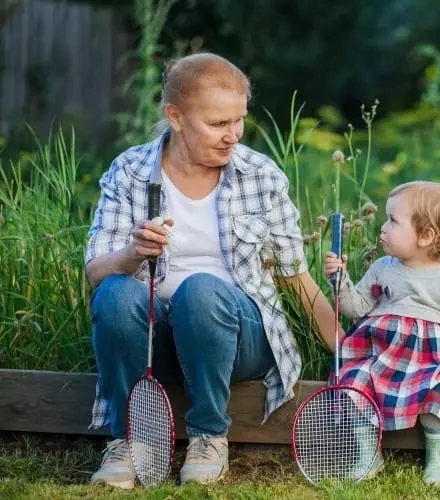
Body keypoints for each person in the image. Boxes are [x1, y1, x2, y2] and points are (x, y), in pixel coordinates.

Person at [85, 52, 339, 489]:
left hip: (240, 340)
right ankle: (130, 440)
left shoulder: (260, 175)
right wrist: (133, 252)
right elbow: (96, 273)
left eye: (238, 120)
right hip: (155, 342)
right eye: (218, 124)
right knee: (115, 292)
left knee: (201, 291)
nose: (233, 136)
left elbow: (297, 279)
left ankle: (208, 435)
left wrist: (349, 354)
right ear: (176, 117)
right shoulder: (129, 171)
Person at [323, 181, 440, 485]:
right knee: (354, 383)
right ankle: (368, 455)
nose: (383, 228)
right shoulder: (382, 268)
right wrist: (341, 281)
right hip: (380, 359)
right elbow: (357, 308)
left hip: (427, 363)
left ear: (425, 237)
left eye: (393, 221)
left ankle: (438, 457)